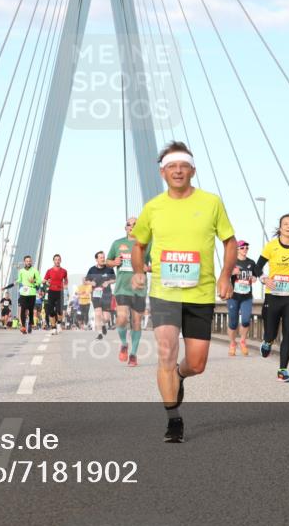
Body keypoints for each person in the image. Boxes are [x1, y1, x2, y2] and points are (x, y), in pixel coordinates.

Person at [131, 141, 235, 443]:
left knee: (197, 364)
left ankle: (179, 375)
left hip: (200, 294)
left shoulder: (211, 203)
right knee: (166, 353)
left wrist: (225, 275)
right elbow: (139, 245)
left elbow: (229, 241)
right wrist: (139, 271)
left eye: (183, 165)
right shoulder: (153, 207)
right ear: (163, 172)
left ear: (192, 170)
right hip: (164, 292)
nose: (178, 170)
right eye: (171, 166)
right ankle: (173, 419)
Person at [254, 217, 289, 382]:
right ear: (280, 227)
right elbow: (257, 267)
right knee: (271, 332)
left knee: (288, 333)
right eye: (285, 224)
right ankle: (268, 341)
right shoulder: (271, 247)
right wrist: (264, 278)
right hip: (273, 296)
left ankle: (282, 370)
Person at [107, 217, 149, 366]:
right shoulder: (117, 243)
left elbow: (154, 264)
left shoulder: (146, 244)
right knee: (122, 318)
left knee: (137, 321)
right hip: (122, 288)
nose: (132, 226)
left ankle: (133, 355)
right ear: (125, 228)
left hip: (139, 289)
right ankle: (124, 343)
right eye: (129, 224)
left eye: (135, 224)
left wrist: (148, 268)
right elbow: (108, 261)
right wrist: (114, 262)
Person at [227, 240, 258, 357]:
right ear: (237, 250)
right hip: (233, 296)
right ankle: (232, 343)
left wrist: (255, 277)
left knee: (245, 320)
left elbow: (256, 274)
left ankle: (243, 341)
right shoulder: (231, 262)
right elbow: (224, 275)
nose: (245, 249)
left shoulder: (251, 262)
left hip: (247, 296)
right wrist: (231, 273)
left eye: (246, 247)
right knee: (233, 323)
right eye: (242, 248)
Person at [86, 251, 116, 340]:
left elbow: (114, 279)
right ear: (96, 259)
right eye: (101, 257)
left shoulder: (109, 269)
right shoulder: (92, 270)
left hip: (107, 294)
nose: (103, 259)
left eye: (104, 257)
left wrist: (108, 282)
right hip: (96, 294)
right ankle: (99, 334)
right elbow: (86, 280)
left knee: (106, 318)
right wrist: (91, 282)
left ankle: (103, 324)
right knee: (98, 313)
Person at [42, 253, 69, 335]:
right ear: (53, 261)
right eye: (56, 260)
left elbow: (66, 280)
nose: (57, 261)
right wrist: (47, 281)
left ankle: (59, 323)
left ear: (60, 261)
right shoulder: (49, 271)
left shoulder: (64, 271)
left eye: (58, 259)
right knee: (50, 311)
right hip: (51, 291)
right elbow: (43, 280)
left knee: (59, 310)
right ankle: (53, 328)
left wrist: (65, 285)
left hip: (60, 292)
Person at [15, 255, 41, 334]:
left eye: (29, 261)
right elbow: (20, 279)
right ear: (24, 262)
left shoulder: (35, 271)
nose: (28, 262)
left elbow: (39, 281)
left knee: (30, 310)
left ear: (31, 262)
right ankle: (23, 326)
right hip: (23, 292)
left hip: (32, 292)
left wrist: (34, 282)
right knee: (23, 309)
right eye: (27, 261)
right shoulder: (21, 271)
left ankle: (30, 324)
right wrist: (16, 282)